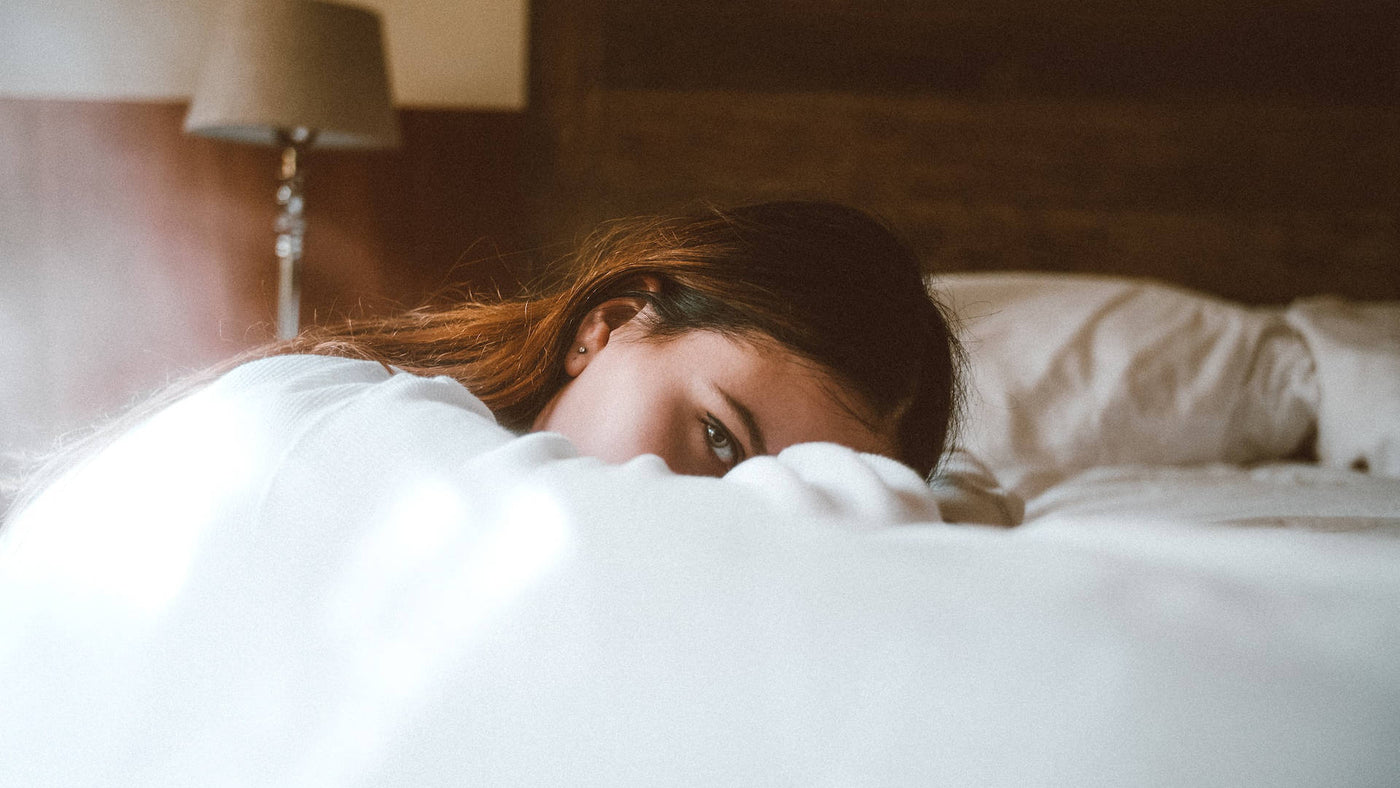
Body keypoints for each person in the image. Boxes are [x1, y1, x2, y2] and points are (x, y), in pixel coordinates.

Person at [5, 200, 962, 527]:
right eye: (716, 435)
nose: (724, 511)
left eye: (797, 491)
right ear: (612, 323)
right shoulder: (353, 431)